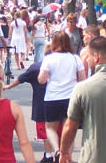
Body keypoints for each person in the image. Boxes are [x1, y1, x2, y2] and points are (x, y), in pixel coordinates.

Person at [4, 45, 60, 163]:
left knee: (45, 130)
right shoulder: (61, 67)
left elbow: (21, 78)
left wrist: (9, 86)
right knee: (57, 128)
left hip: (41, 104)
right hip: (59, 102)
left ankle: (49, 154)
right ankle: (59, 152)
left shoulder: (35, 67)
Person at [38, 32, 86, 160]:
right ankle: (67, 156)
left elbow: (41, 80)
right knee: (69, 129)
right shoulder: (75, 58)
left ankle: (58, 150)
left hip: (53, 97)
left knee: (50, 128)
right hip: (71, 97)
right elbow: (83, 79)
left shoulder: (49, 58)